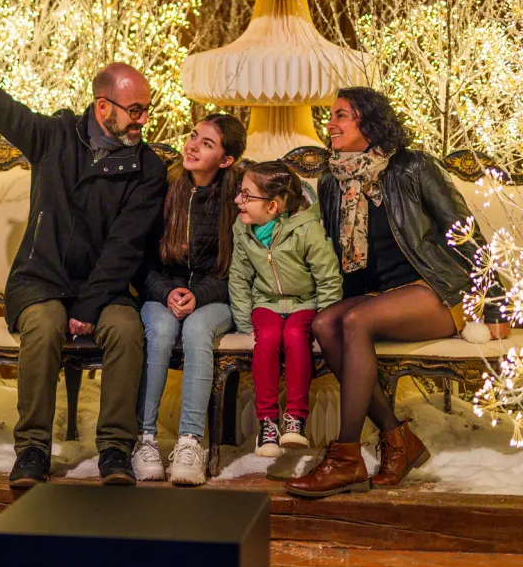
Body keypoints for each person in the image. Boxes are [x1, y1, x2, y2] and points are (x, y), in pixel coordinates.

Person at [0, 40, 167, 488]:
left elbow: (125, 247)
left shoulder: (147, 168)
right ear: (103, 106)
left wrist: (89, 306)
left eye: (146, 109)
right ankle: (31, 449)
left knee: (126, 330)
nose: (144, 119)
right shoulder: (55, 138)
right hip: (41, 279)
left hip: (104, 287)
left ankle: (114, 449)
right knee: (44, 325)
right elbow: (9, 114)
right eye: (136, 110)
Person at [285, 86, 503, 500]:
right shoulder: (333, 181)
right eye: (330, 116)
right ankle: (398, 441)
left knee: (354, 319)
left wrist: (494, 302)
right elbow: (335, 253)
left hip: (436, 288)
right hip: (381, 296)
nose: (329, 123)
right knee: (327, 322)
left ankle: (345, 456)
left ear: (368, 121)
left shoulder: (411, 167)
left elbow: (463, 230)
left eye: (341, 115)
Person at [133, 114, 247, 486]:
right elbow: (141, 260)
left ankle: (190, 443)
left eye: (207, 144)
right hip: (161, 292)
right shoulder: (164, 187)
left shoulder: (237, 199)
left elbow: (237, 269)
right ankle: (145, 439)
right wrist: (168, 292)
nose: (193, 145)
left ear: (226, 160)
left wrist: (198, 295)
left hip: (214, 296)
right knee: (161, 331)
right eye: (194, 136)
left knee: (198, 332)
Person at [229, 161, 343, 458]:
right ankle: (267, 422)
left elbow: (328, 276)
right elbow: (239, 276)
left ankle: (295, 419)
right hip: (265, 302)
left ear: (273, 206)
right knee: (266, 340)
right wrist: (243, 321)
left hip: (303, 303)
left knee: (294, 336)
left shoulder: (306, 230)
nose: (237, 200)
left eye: (245, 195)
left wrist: (326, 320)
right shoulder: (242, 230)